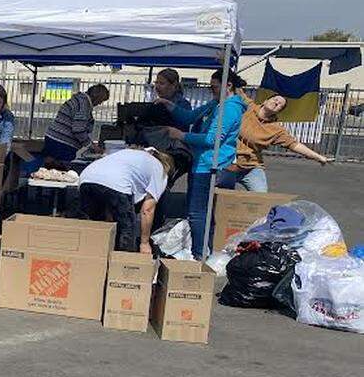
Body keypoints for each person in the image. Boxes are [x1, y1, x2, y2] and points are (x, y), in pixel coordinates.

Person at [155, 69, 248, 258]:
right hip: (204, 163)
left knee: (198, 212)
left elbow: (212, 139)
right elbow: (190, 117)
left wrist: (181, 135)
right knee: (204, 213)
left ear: (228, 85)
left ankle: (199, 254)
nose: (211, 91)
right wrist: (168, 104)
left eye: (214, 87)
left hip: (211, 166)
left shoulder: (229, 108)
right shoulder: (216, 103)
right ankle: (203, 251)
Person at [221, 94, 332, 192]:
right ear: (265, 101)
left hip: (251, 167)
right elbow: (235, 90)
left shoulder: (276, 129)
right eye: (275, 99)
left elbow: (295, 145)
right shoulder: (247, 107)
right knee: (220, 195)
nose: (276, 103)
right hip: (227, 163)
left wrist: (319, 157)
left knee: (261, 199)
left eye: (280, 105)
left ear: (279, 111)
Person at [79, 147, 173, 253]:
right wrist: (144, 243)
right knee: (127, 231)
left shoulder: (131, 155)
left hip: (86, 178)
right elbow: (147, 210)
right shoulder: (160, 170)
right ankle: (124, 261)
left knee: (96, 229)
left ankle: (89, 257)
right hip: (117, 183)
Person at [42, 84, 110, 163]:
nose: (100, 103)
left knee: (49, 166)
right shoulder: (84, 104)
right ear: (97, 97)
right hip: (62, 143)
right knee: (61, 168)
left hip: (54, 138)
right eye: (101, 100)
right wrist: (91, 146)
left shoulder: (79, 99)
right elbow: (78, 130)